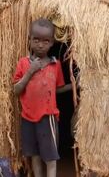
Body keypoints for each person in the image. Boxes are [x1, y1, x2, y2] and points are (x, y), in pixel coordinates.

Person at [13, 18, 72, 177]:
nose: (40, 44)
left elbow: (57, 89)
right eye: (36, 40)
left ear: (52, 42)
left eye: (45, 41)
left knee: (51, 158)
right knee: (35, 156)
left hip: (48, 118)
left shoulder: (55, 64)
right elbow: (16, 90)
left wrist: (74, 86)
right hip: (27, 118)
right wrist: (30, 72)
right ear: (29, 39)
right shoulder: (23, 63)